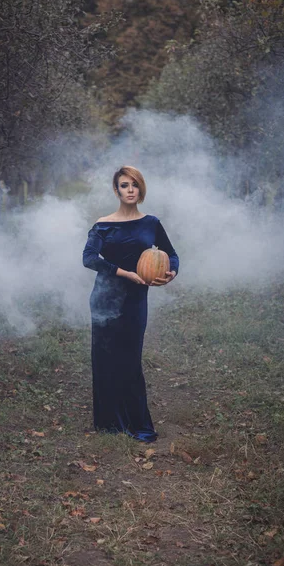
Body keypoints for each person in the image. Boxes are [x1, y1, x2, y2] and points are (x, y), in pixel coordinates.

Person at [82, 166, 179, 443]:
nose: (130, 190)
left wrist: (171, 272)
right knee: (104, 360)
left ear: (141, 189)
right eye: (124, 185)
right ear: (116, 190)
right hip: (104, 298)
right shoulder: (103, 224)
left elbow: (171, 254)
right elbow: (88, 258)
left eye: (134, 185)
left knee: (130, 360)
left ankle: (137, 423)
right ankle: (109, 423)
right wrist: (124, 273)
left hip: (135, 301)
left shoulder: (151, 223)